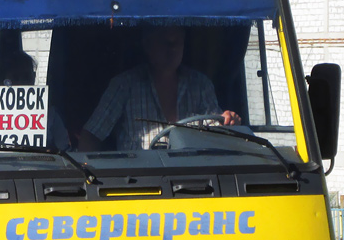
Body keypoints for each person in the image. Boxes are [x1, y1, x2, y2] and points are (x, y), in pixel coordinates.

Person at [79, 27, 240, 151]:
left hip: (194, 183)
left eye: (178, 42)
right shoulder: (123, 86)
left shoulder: (201, 85)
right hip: (140, 185)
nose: (173, 48)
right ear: (147, 45)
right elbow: (91, 136)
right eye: (166, 42)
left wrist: (228, 122)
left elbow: (217, 134)